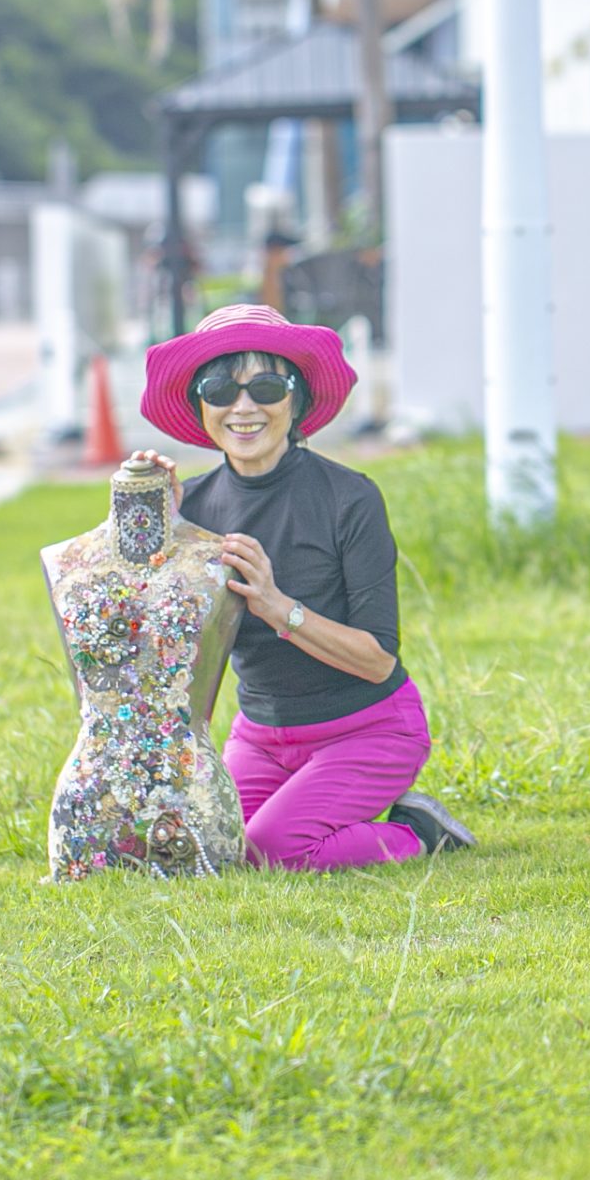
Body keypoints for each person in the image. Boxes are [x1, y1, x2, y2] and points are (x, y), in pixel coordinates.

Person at [134, 303, 474, 870]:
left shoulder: (350, 498)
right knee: (214, 846)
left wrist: (278, 607)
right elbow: (159, 649)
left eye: (267, 388)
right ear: (201, 405)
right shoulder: (191, 507)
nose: (244, 407)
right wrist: (154, 527)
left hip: (369, 730)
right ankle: (317, 807)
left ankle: (418, 832)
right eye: (220, 389)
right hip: (261, 737)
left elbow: (377, 661)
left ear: (297, 401)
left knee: (272, 849)